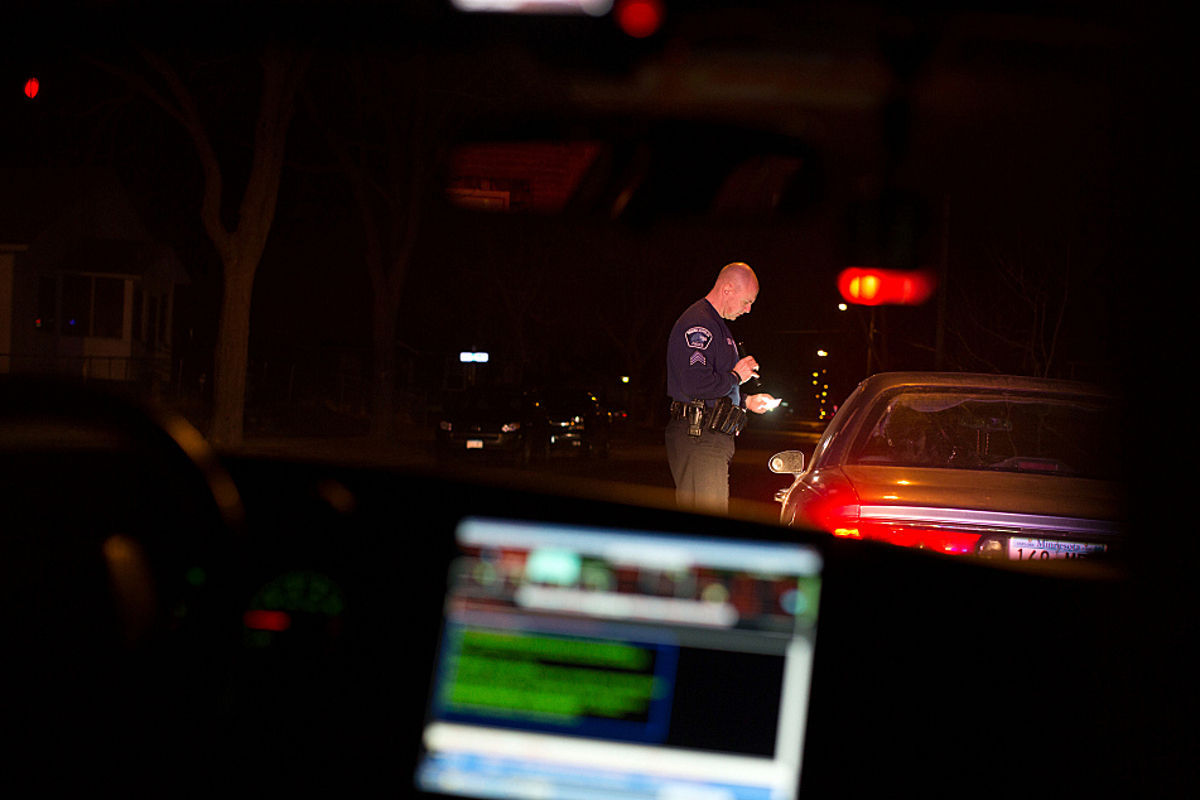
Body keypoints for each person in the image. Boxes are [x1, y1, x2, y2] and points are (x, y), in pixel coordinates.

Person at [665, 262, 778, 512]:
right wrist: (737, 376)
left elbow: (715, 387)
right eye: (747, 301)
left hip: (707, 435)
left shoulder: (717, 326)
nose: (748, 310)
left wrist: (746, 401)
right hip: (699, 437)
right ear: (727, 289)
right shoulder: (700, 325)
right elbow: (695, 384)